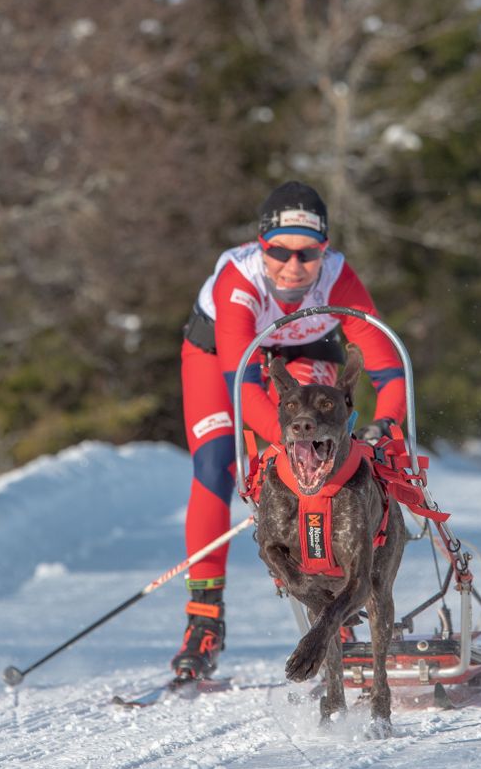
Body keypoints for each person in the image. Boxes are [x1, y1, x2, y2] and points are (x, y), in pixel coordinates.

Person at [173, 180, 406, 681]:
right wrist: (288, 446)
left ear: (325, 250)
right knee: (215, 464)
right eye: (280, 252)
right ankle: (204, 621)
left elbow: (390, 370)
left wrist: (384, 427)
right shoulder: (238, 281)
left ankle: (332, 603)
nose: (294, 267)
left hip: (306, 353)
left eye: (308, 254)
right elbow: (246, 388)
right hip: (221, 362)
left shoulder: (339, 279)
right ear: (262, 246)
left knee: (323, 472)